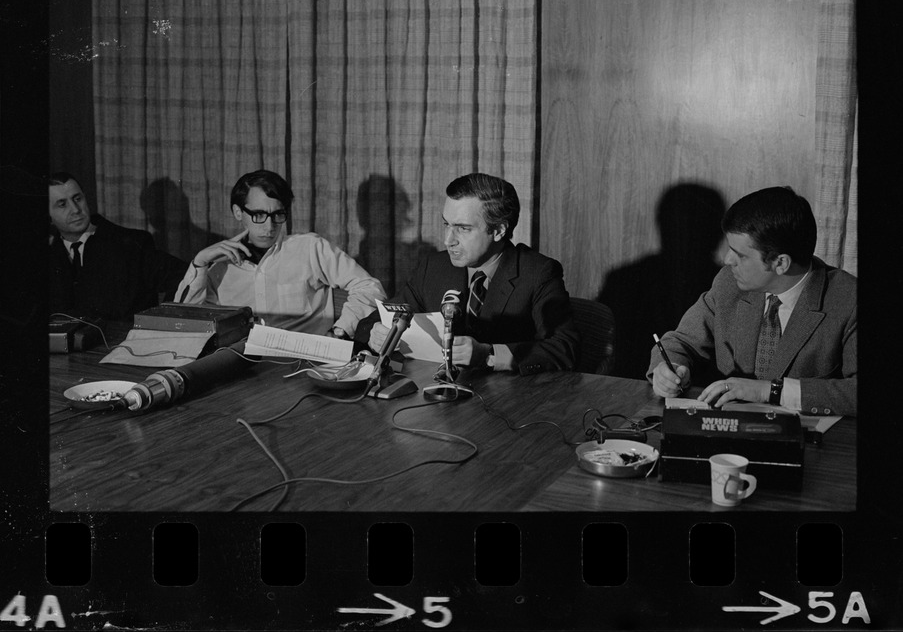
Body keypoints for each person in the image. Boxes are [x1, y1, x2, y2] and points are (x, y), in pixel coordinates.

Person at [648, 186, 856, 416]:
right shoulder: (729, 283)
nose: (727, 260)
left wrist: (770, 391)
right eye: (729, 249)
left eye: (741, 255)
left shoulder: (849, 300)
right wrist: (671, 368)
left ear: (780, 263)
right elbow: (680, 342)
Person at [355, 172, 580, 374]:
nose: (448, 240)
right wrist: (377, 333)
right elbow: (372, 322)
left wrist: (490, 355)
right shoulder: (433, 267)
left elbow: (564, 347)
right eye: (446, 225)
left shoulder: (538, 272)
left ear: (499, 230)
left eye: (463, 228)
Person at [176, 169, 385, 336]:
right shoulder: (218, 267)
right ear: (238, 212)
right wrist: (199, 263)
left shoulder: (311, 248)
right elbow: (182, 321)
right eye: (259, 215)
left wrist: (342, 330)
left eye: (278, 214)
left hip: (306, 363)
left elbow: (369, 287)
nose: (269, 226)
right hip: (243, 367)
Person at [49, 172, 188, 321]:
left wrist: (161, 323)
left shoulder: (132, 244)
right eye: (62, 204)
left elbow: (184, 276)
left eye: (77, 199)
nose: (76, 209)